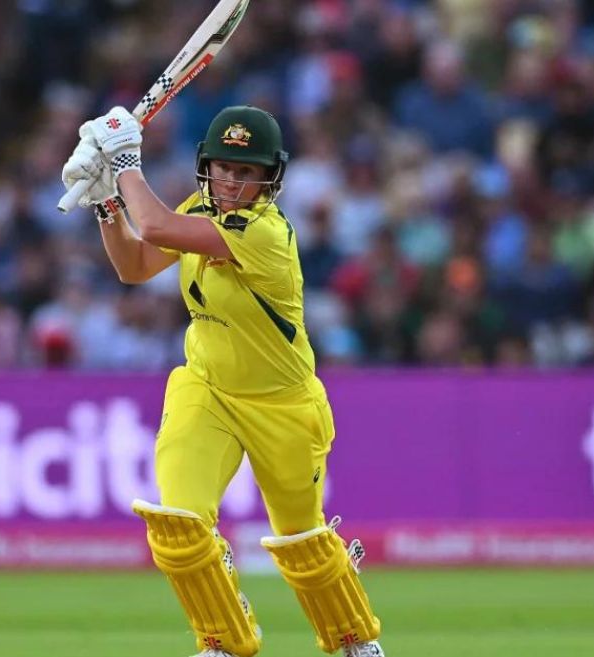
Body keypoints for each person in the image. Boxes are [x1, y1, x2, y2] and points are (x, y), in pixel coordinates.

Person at [61, 106, 385, 657]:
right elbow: (135, 265)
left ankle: (354, 641)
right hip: (207, 389)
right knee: (179, 525)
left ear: (269, 179)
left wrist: (123, 164)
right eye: (225, 168)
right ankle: (223, 641)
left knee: (303, 541)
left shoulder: (265, 233)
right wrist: (105, 202)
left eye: (247, 172)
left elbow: (158, 226)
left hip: (283, 404)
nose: (233, 182)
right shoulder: (198, 208)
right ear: (207, 167)